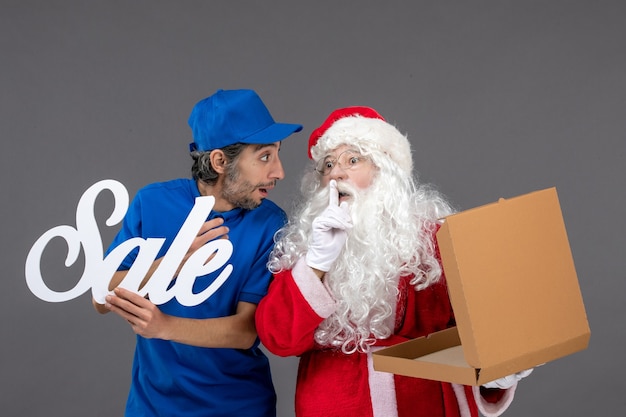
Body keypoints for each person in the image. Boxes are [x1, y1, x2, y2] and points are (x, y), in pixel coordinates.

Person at [255, 106, 532, 417]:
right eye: (328, 164)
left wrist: (498, 370)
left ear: (385, 168)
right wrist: (317, 263)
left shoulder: (434, 239)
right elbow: (278, 338)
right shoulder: (305, 249)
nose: (336, 173)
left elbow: (473, 335)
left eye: (353, 160)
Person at [93, 89, 302, 417]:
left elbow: (247, 331)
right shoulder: (152, 203)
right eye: (264, 157)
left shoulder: (270, 223)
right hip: (152, 407)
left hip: (238, 407)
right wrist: (173, 262)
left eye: (277, 154)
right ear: (220, 161)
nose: (279, 171)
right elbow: (101, 296)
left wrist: (165, 326)